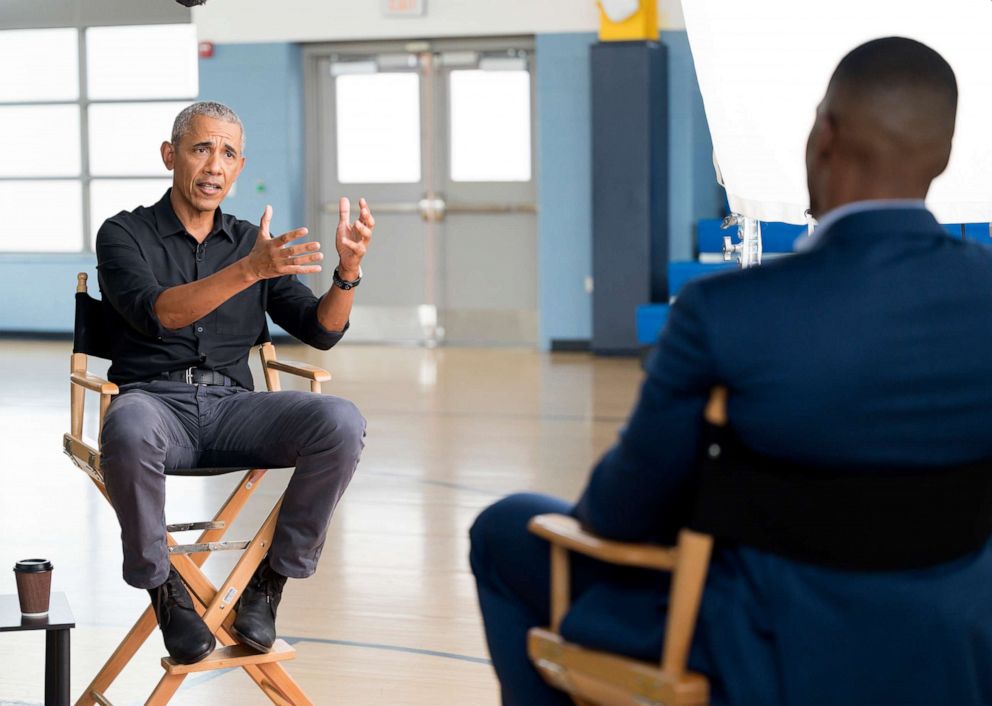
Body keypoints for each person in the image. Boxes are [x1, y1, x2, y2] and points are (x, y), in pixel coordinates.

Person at [470, 37, 992, 706]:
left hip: (769, 656)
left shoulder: (729, 312)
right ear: (943, 155)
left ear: (823, 134)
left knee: (505, 528)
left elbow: (620, 511)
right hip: (959, 644)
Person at [96, 101, 374, 664]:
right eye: (201, 149)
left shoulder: (254, 242)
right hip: (155, 403)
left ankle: (268, 584)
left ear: (240, 167)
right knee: (125, 425)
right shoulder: (123, 234)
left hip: (232, 406)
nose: (213, 166)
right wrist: (251, 269)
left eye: (227, 153)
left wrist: (347, 272)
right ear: (170, 156)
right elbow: (161, 314)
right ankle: (165, 591)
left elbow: (321, 332)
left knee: (340, 421)